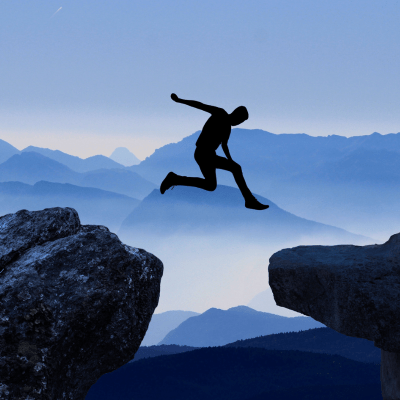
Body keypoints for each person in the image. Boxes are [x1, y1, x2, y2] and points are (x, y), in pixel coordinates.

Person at [160, 93, 269, 210]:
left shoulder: (228, 128)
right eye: (241, 120)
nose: (239, 123)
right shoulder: (220, 113)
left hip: (207, 155)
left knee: (211, 185)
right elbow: (200, 105)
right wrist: (180, 100)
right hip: (203, 153)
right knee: (236, 168)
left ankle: (175, 179)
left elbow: (224, 145)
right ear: (237, 115)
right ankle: (249, 200)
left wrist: (230, 160)